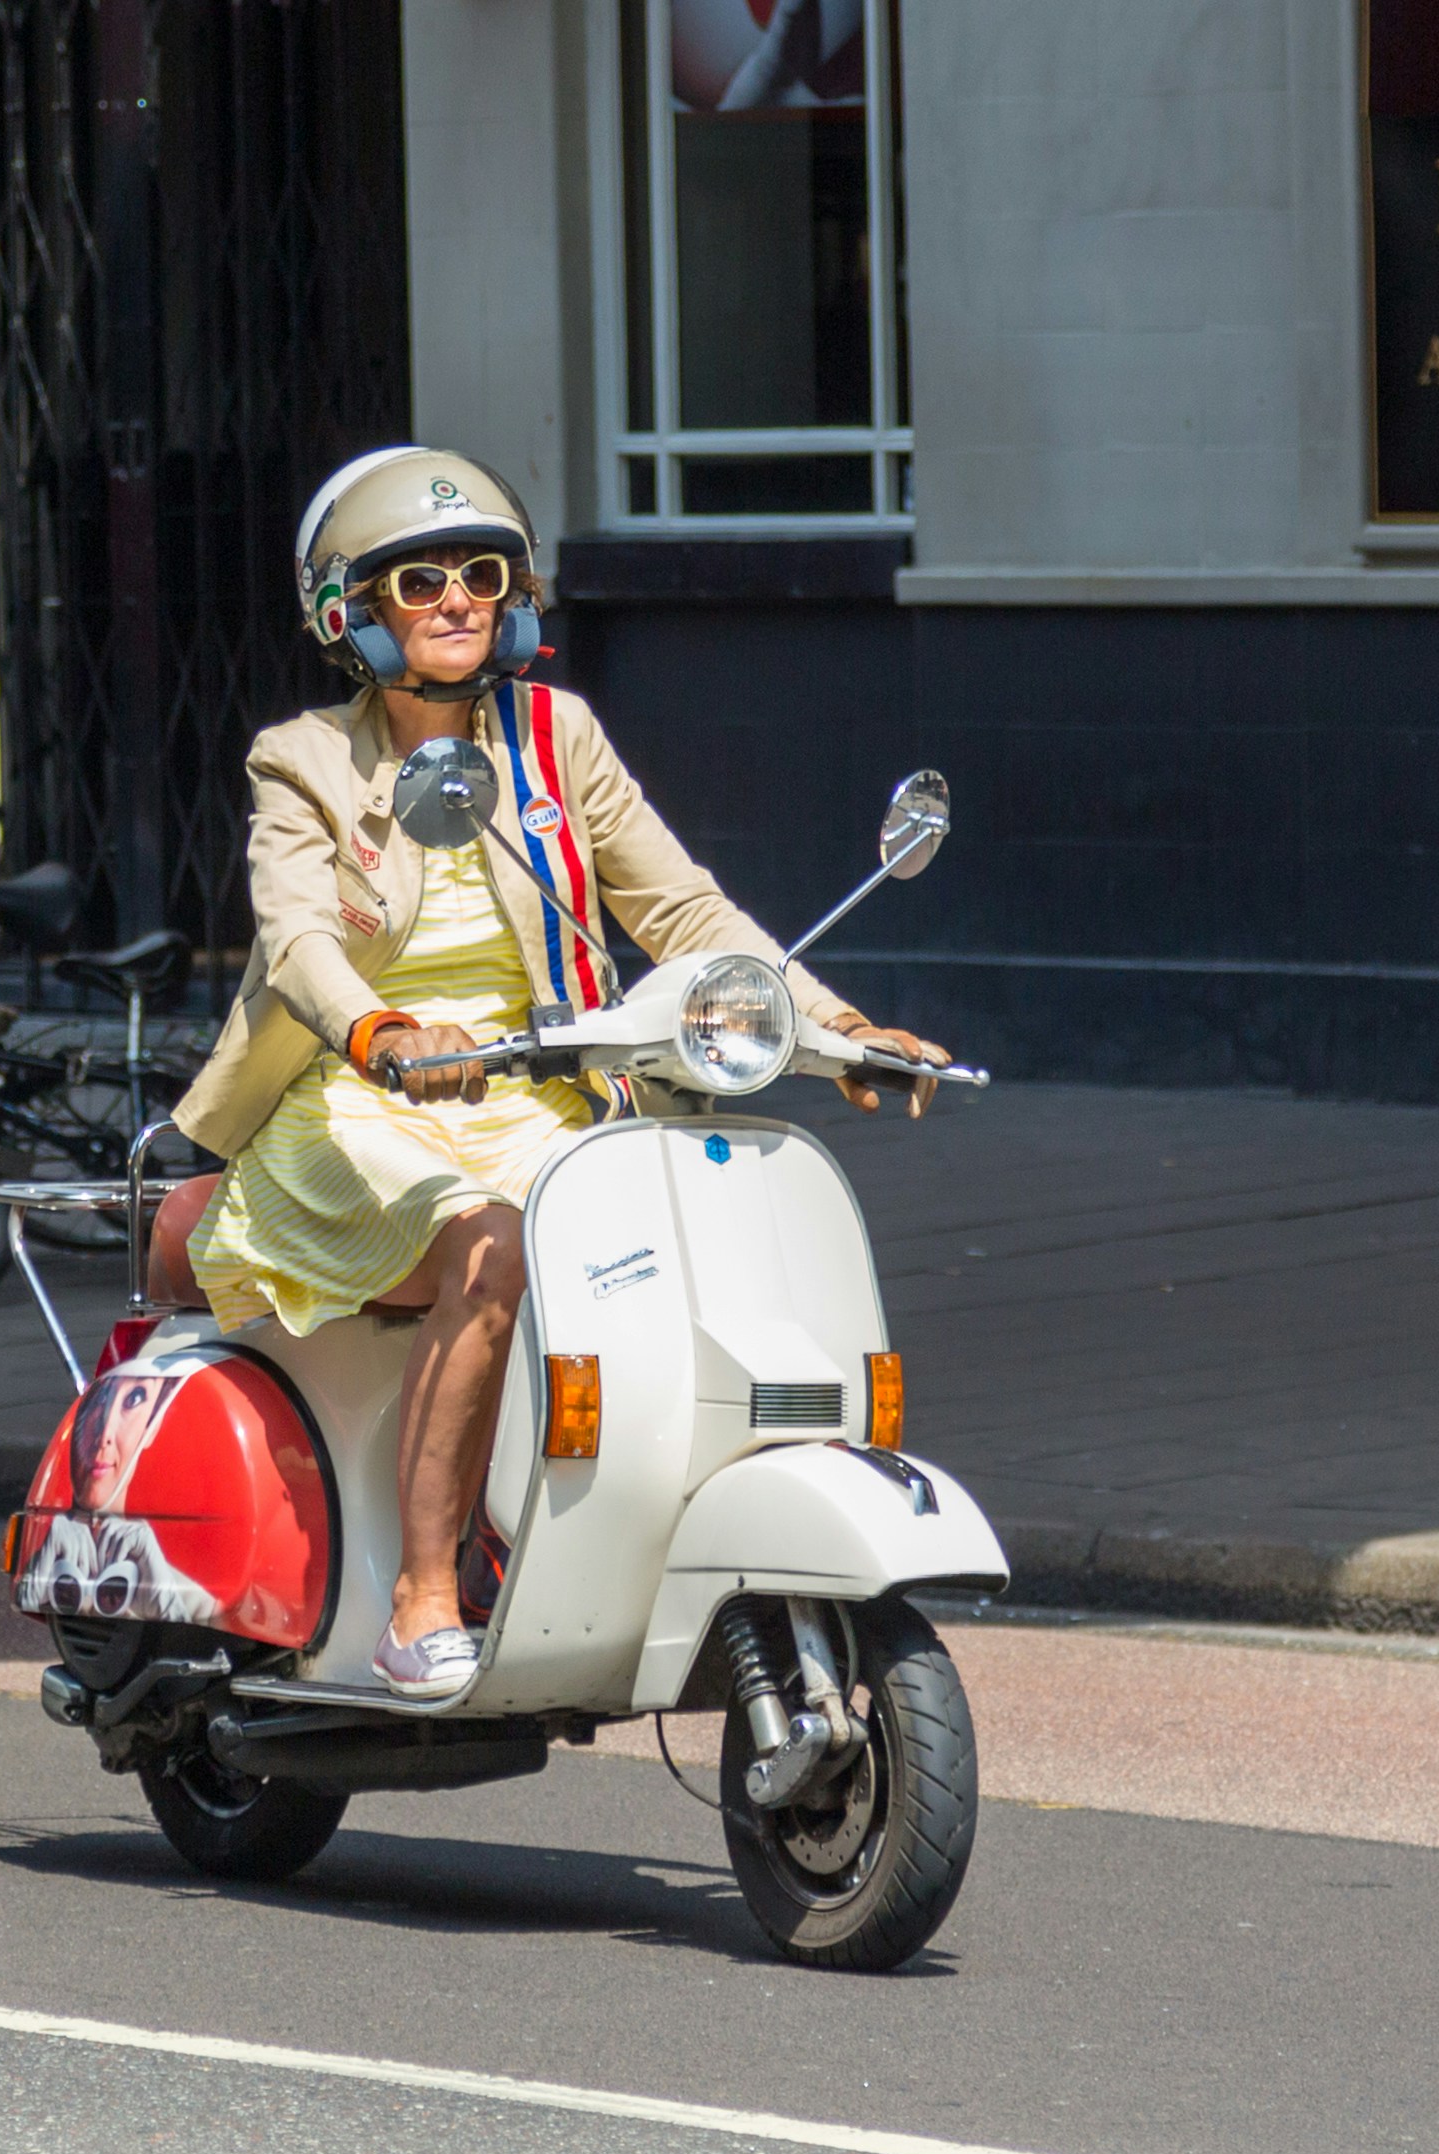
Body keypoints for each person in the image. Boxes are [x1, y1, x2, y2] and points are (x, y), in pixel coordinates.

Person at [170, 446, 947, 1706]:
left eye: (481, 572)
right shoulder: (302, 760)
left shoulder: (555, 736)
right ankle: (422, 1597)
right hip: (360, 1104)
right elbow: (300, 939)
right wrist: (380, 1035)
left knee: (673, 1233)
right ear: (350, 613)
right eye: (417, 581)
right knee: (487, 1250)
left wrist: (835, 1026)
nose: (458, 600)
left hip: (540, 1095)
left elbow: (682, 910)